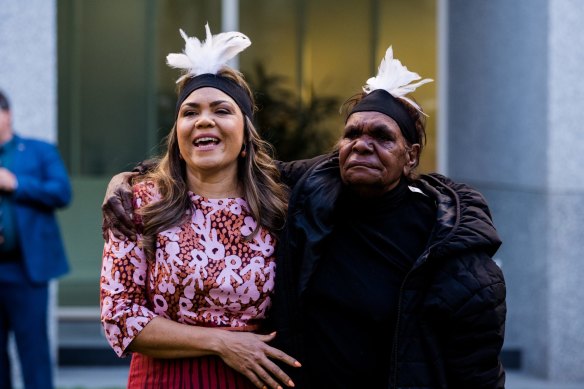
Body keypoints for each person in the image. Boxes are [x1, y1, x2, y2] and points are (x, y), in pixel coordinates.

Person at [103, 46, 506, 388]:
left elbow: (476, 360)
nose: (363, 146)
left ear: (411, 157)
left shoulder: (280, 202)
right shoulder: (301, 197)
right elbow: (120, 315)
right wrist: (122, 179)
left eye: (382, 137)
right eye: (351, 135)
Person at [99, 25, 300, 389]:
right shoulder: (136, 204)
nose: (204, 119)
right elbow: (120, 317)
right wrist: (222, 343)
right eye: (190, 112)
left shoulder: (280, 209)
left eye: (221, 110)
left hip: (255, 379)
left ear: (245, 136)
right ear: (178, 135)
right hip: (164, 381)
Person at [0, 90, 72, 389]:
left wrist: (16, 183)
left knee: (34, 351)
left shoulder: (39, 150)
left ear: (7, 114)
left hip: (27, 270)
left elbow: (61, 192)